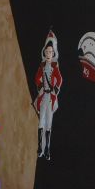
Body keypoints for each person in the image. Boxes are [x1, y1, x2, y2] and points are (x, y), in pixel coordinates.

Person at [33, 30, 62, 160]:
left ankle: (47, 149)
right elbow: (37, 78)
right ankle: (40, 147)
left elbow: (60, 79)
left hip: (51, 97)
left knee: (49, 124)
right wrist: (40, 87)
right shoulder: (42, 66)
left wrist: (55, 89)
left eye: (50, 52)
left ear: (53, 53)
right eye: (47, 52)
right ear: (44, 53)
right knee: (41, 122)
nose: (49, 54)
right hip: (43, 96)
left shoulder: (55, 67)